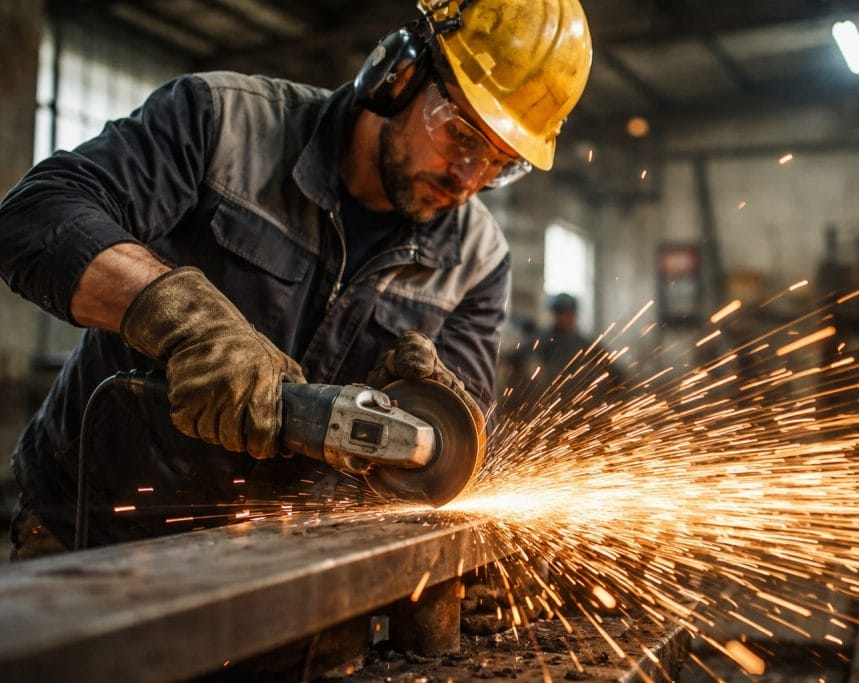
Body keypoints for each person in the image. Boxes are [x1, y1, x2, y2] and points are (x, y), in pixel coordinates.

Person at [0, 0, 592, 557]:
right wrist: (185, 323)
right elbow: (38, 214)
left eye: (499, 162)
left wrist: (430, 414)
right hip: (95, 528)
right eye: (462, 134)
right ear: (399, 74)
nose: (469, 176)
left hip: (286, 569)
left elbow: (457, 450)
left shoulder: (479, 257)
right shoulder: (224, 123)